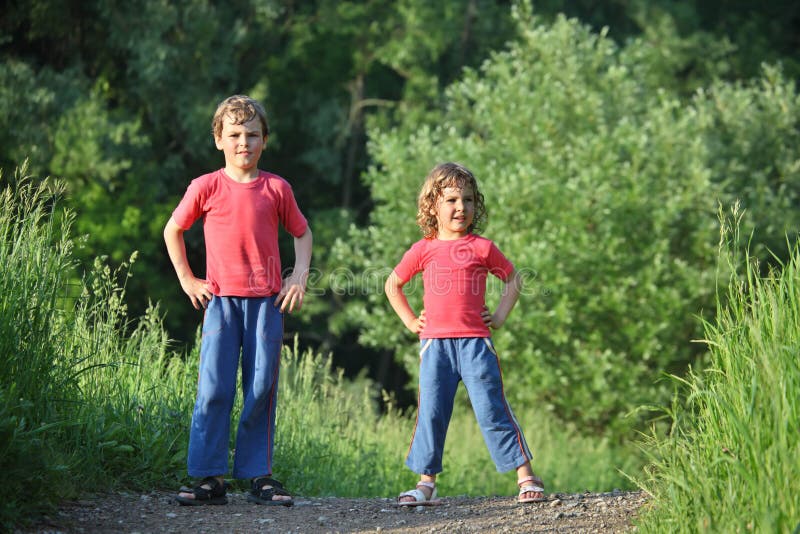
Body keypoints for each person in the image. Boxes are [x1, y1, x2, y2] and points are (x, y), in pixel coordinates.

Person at [164, 95, 312, 507]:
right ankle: (209, 478)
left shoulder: (277, 188)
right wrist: (188, 279)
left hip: (266, 304)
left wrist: (298, 276)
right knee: (214, 388)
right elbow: (172, 230)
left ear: (264, 140)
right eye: (233, 135)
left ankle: (259, 477)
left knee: (261, 385)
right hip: (221, 304)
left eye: (251, 135)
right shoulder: (206, 186)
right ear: (218, 140)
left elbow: (302, 233)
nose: (243, 142)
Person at [384, 162, 545, 506]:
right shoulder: (423, 249)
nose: (461, 208)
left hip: (476, 345)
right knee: (431, 411)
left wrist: (499, 316)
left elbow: (514, 280)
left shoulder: (483, 248)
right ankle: (426, 483)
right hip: (435, 348)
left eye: (468, 200)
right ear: (433, 206)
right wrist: (412, 322)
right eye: (452, 200)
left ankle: (526, 477)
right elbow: (393, 284)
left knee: (491, 409)